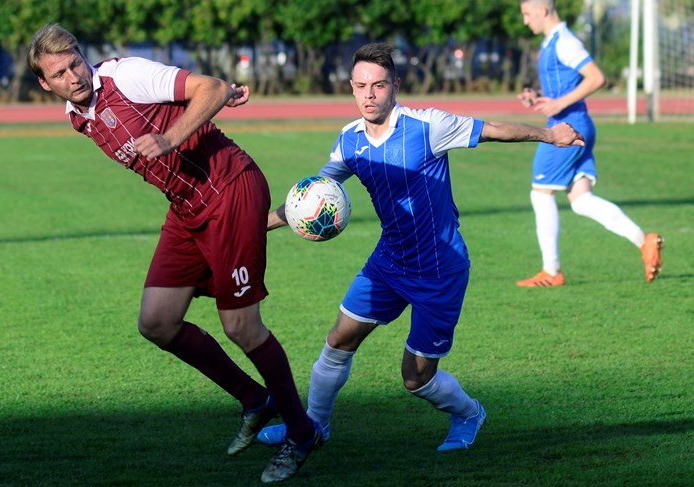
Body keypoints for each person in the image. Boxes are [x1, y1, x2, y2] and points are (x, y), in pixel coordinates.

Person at [256, 42, 585, 453]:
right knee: (339, 339)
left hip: (439, 269)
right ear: (352, 89)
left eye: (378, 85)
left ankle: (469, 414)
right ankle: (313, 427)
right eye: (360, 86)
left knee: (416, 378)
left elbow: (494, 130)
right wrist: (254, 228)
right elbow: (312, 199)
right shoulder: (349, 141)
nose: (369, 95)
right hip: (389, 262)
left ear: (395, 85)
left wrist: (550, 135)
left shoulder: (427, 125)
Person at [27, 23, 320, 483]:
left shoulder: (126, 75)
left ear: (86, 57)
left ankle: (302, 433)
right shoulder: (77, 117)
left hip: (230, 189)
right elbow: (199, 101)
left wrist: (176, 132)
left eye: (76, 63)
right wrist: (205, 106)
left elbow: (212, 87)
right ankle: (255, 400)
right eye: (60, 73)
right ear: (46, 84)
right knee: (157, 321)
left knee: (240, 325)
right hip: (187, 208)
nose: (74, 77)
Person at [516, 0, 663, 287]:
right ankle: (644, 241)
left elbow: (597, 78)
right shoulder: (551, 42)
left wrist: (559, 103)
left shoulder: (565, 41)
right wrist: (539, 97)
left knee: (540, 192)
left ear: (542, 10)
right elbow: (566, 87)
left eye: (526, 14)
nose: (524, 21)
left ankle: (551, 271)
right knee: (581, 201)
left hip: (567, 129)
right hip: (574, 124)